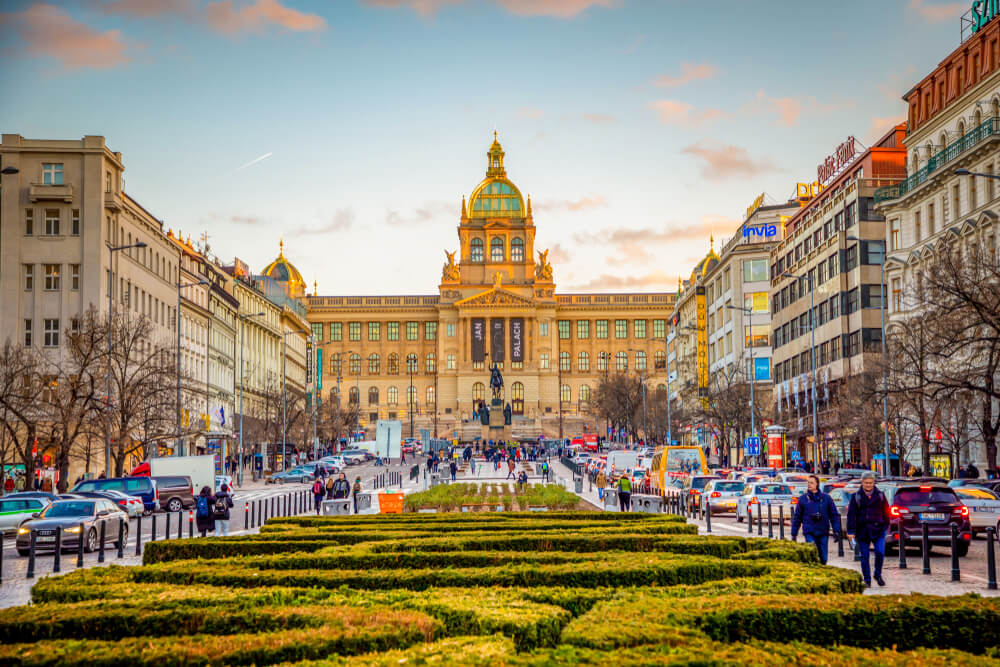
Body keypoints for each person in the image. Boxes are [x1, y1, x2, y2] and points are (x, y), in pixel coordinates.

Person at [846, 471, 891, 587]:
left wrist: (885, 526)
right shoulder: (856, 497)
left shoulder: (880, 495)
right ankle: (867, 579)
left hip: (878, 530)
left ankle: (877, 573)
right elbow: (851, 515)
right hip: (862, 531)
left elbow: (886, 512)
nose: (868, 485)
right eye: (866, 483)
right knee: (864, 556)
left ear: (874, 482)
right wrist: (851, 532)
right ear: (862, 482)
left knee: (880, 552)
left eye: (870, 483)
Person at [791, 475, 841, 564]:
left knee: (824, 558)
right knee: (813, 553)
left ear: (817, 484)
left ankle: (822, 573)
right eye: (808, 483)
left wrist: (836, 530)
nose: (809, 485)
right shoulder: (803, 499)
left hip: (823, 531)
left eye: (811, 483)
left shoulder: (826, 498)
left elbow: (834, 515)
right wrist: (794, 533)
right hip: (809, 531)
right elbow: (797, 517)